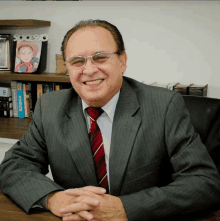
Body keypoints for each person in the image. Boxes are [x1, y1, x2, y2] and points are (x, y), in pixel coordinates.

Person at [1, 19, 220, 221]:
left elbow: (204, 182)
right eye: (77, 61)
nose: (89, 70)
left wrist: (126, 208)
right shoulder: (50, 107)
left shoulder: (164, 106)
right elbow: (14, 166)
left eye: (100, 57)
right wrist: (53, 198)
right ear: (67, 68)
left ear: (122, 61)